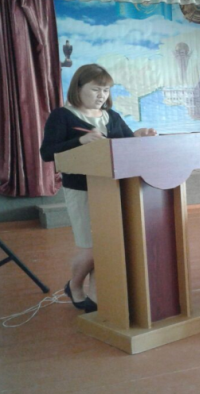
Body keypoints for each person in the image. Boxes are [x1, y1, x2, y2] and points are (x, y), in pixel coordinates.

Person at [40, 63, 157, 313]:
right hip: (81, 189)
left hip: (114, 189)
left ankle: (97, 296)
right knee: (92, 247)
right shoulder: (62, 116)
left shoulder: (111, 116)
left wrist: (139, 136)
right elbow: (47, 153)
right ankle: (75, 285)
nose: (101, 95)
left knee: (109, 242)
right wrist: (80, 140)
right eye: (95, 89)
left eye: (106, 90)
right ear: (78, 88)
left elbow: (125, 144)